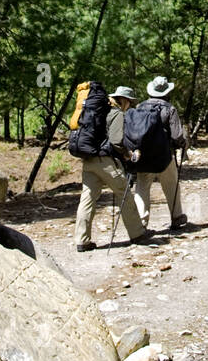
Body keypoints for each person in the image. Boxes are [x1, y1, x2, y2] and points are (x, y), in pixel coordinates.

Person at [73, 85, 146, 251]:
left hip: (88, 160)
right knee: (124, 193)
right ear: (125, 101)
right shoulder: (116, 113)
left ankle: (82, 240)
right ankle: (137, 234)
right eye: (130, 103)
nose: (130, 106)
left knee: (87, 198)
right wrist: (128, 154)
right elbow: (116, 142)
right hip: (105, 161)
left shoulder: (96, 111)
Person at [131, 75, 188, 232]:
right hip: (164, 155)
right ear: (166, 92)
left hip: (143, 156)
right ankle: (177, 217)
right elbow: (177, 135)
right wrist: (182, 144)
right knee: (171, 185)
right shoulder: (169, 109)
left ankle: (140, 224)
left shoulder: (140, 107)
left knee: (142, 188)